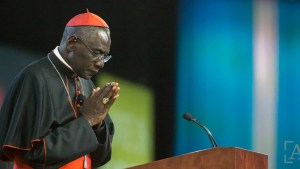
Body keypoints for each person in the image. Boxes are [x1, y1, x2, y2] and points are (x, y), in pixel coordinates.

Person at [0, 10, 120, 169]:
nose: (101, 63)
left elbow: (99, 158)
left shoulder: (87, 83)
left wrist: (97, 124)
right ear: (72, 43)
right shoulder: (35, 78)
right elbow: (33, 155)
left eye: (104, 56)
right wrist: (88, 120)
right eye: (96, 53)